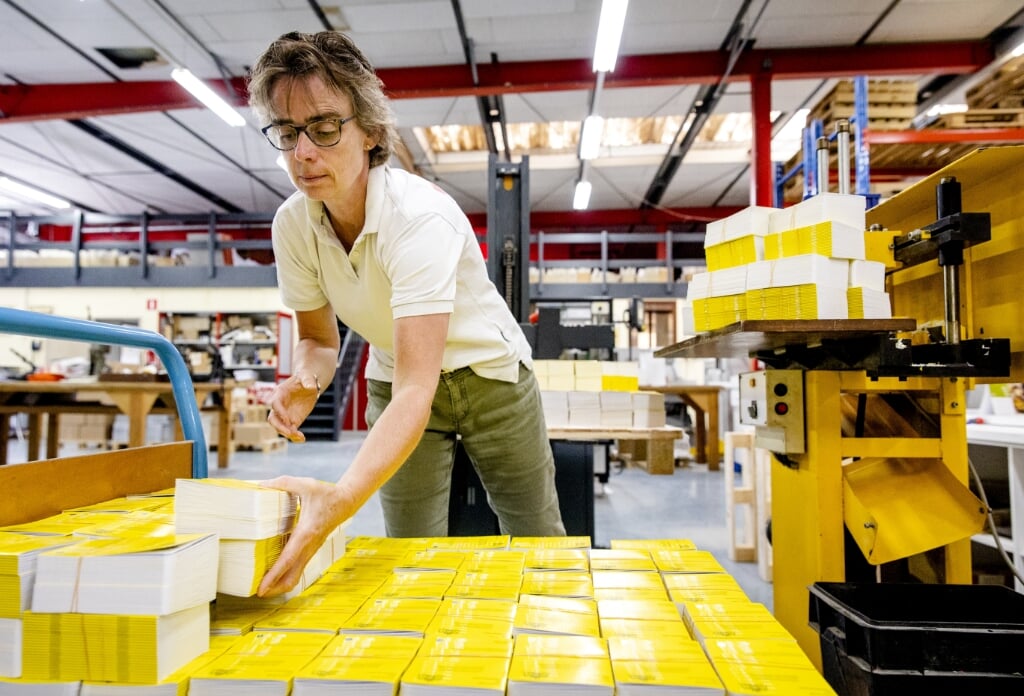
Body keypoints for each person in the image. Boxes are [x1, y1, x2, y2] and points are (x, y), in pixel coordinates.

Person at [247, 31, 566, 596]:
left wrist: (340, 500)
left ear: (369, 131)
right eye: (287, 132)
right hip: (396, 378)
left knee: (536, 541)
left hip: (491, 378)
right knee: (409, 554)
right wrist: (307, 379)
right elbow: (320, 340)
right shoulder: (292, 225)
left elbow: (420, 387)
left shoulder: (418, 217)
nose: (303, 152)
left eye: (323, 127)